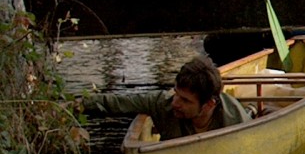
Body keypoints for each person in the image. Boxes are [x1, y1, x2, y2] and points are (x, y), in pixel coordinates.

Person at [78, 56, 253, 140]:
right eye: (176, 93)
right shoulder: (164, 104)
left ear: (208, 105)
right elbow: (119, 103)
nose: (175, 103)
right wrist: (80, 104)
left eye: (185, 100)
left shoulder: (235, 122)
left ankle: (252, 110)